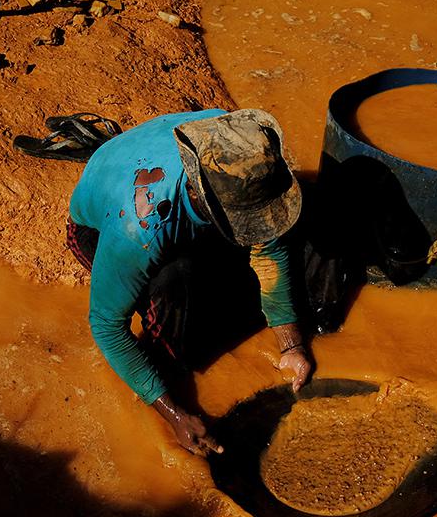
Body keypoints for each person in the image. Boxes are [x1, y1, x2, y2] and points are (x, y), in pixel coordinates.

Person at [66, 108, 312, 456]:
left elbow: (269, 252)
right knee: (173, 290)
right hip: (101, 227)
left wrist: (292, 345)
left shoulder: (236, 148)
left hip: (170, 197)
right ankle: (164, 367)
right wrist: (175, 414)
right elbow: (106, 326)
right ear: (204, 198)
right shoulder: (138, 231)